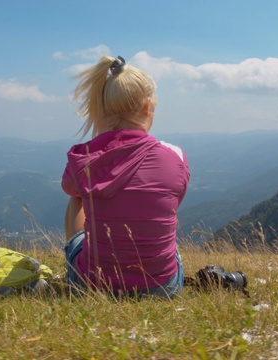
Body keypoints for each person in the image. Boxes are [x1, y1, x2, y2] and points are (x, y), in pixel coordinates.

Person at [62, 55, 190, 298]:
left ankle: (85, 264)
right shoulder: (175, 156)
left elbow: (69, 189)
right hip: (162, 287)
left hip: (91, 285)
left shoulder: (84, 157)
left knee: (77, 197)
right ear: (146, 108)